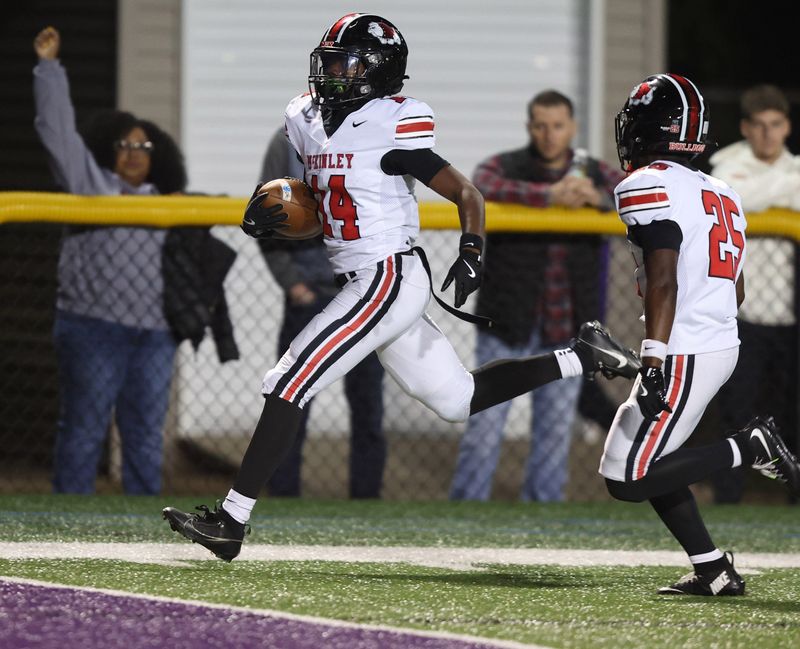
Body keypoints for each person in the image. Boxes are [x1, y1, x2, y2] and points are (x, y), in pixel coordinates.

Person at [163, 13, 640, 561]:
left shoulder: (395, 122)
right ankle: (582, 355)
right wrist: (283, 217)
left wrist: (471, 250)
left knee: (289, 379)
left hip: (385, 276)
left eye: (344, 63)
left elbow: (468, 194)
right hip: (370, 276)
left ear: (377, 70)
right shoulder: (306, 119)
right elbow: (336, 206)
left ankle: (231, 520)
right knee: (457, 398)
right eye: (329, 61)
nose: (330, 73)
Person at [601, 73, 800, 596]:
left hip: (683, 347)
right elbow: (736, 289)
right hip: (718, 340)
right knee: (647, 461)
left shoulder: (645, 184)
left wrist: (654, 357)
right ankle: (713, 570)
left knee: (627, 479)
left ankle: (748, 446)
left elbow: (664, 277)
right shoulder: (722, 189)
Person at [33, 27, 237, 495]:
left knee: (145, 439)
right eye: (125, 145)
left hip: (154, 336)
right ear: (111, 149)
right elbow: (56, 133)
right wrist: (49, 68)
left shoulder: (171, 203)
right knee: (83, 431)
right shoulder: (91, 186)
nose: (133, 153)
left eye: (143, 147)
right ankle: (69, 524)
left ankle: (141, 526)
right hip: (92, 328)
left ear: (156, 154)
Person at [450, 90, 625, 502]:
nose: (549, 135)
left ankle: (544, 523)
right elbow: (480, 185)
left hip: (567, 327)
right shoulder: (505, 166)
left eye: (558, 125)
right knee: (485, 427)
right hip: (506, 320)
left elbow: (632, 194)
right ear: (530, 127)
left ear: (573, 128)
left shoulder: (593, 173)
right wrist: (549, 198)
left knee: (554, 434)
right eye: (541, 125)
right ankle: (463, 513)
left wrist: (596, 200)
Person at [257, 126, 386, 498]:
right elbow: (264, 212)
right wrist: (293, 285)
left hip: (364, 293)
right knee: (289, 402)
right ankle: (282, 497)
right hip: (310, 294)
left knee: (368, 409)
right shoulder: (286, 140)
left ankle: (367, 502)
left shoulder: (375, 132)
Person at [709, 84, 800, 503]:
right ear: (746, 127)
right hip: (741, 313)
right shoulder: (724, 165)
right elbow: (735, 195)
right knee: (736, 412)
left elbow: (747, 198)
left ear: (787, 127)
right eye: (759, 126)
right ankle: (728, 500)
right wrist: (785, 191)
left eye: (776, 125)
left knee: (794, 415)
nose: (767, 134)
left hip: (790, 317)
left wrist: (760, 195)